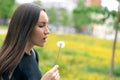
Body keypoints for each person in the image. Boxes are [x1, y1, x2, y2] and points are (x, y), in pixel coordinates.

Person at [0, 3, 60, 80]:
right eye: (41, 25)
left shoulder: (34, 54)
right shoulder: (9, 65)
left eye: (47, 25)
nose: (47, 31)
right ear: (25, 28)